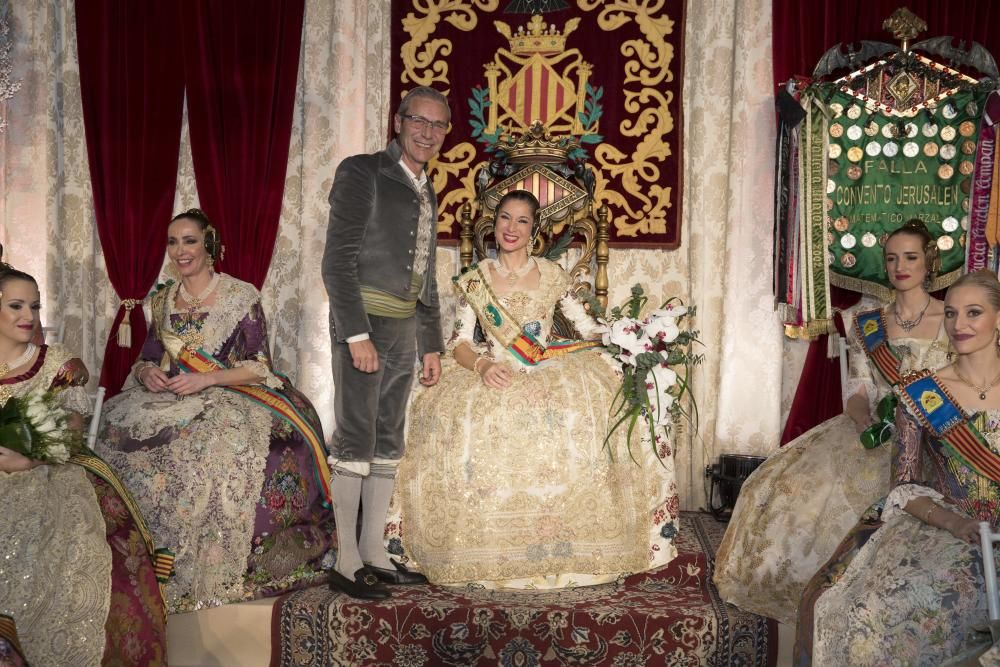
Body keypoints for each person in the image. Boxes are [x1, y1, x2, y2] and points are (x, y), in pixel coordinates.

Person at [387, 189, 677, 588]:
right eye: (505, 218)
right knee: (459, 414)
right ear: (494, 224)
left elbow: (585, 328)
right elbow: (459, 344)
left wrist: (629, 342)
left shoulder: (553, 274)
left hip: (547, 365)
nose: (512, 228)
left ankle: (577, 544)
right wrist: (485, 365)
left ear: (534, 229)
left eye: (522, 221)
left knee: (592, 406)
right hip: (494, 366)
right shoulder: (476, 280)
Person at [95, 209, 333, 613]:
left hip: (229, 391)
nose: (180, 251)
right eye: (173, 242)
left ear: (209, 245)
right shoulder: (163, 299)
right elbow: (148, 354)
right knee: (112, 430)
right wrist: (148, 372)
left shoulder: (240, 296)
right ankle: (137, 556)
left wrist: (205, 380)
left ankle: (206, 559)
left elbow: (259, 366)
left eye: (189, 241)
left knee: (206, 441)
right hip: (172, 394)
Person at [714, 220, 951, 623]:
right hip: (877, 430)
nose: (900, 266)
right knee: (779, 485)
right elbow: (858, 391)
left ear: (929, 261)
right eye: (892, 258)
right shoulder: (868, 321)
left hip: (937, 436)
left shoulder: (954, 317)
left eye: (910, 257)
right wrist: (863, 422)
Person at [796, 269, 1000, 665]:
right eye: (952, 314)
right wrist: (955, 524)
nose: (959, 325)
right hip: (951, 529)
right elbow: (903, 485)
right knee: (864, 616)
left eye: (973, 313)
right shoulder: (920, 392)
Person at [0, 264, 167, 666]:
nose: (29, 317)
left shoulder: (55, 362)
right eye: (16, 306)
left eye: (35, 307)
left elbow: (72, 433)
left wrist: (28, 459)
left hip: (50, 471)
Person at [322, 86, 447, 599]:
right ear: (398, 121)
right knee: (356, 439)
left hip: (403, 332)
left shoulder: (427, 188)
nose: (427, 132)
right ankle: (346, 560)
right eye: (418, 120)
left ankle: (373, 551)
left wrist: (431, 343)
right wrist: (355, 333)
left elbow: (426, 274)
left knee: (387, 443)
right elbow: (337, 260)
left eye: (438, 126)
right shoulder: (363, 171)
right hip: (365, 326)